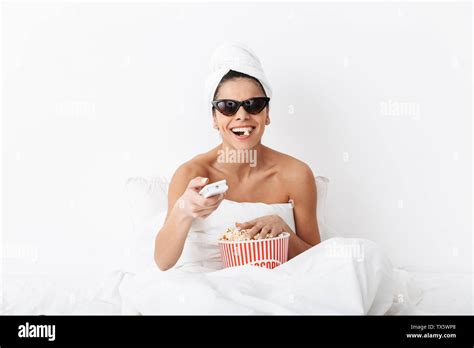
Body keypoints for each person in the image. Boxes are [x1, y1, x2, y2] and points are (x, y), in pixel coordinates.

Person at [154, 43, 320, 272]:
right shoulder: (191, 174)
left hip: (278, 287)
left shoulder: (296, 175)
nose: (242, 116)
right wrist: (183, 210)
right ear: (214, 118)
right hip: (209, 287)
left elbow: (319, 264)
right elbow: (163, 261)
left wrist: (284, 233)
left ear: (267, 114)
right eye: (228, 107)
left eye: (254, 105)